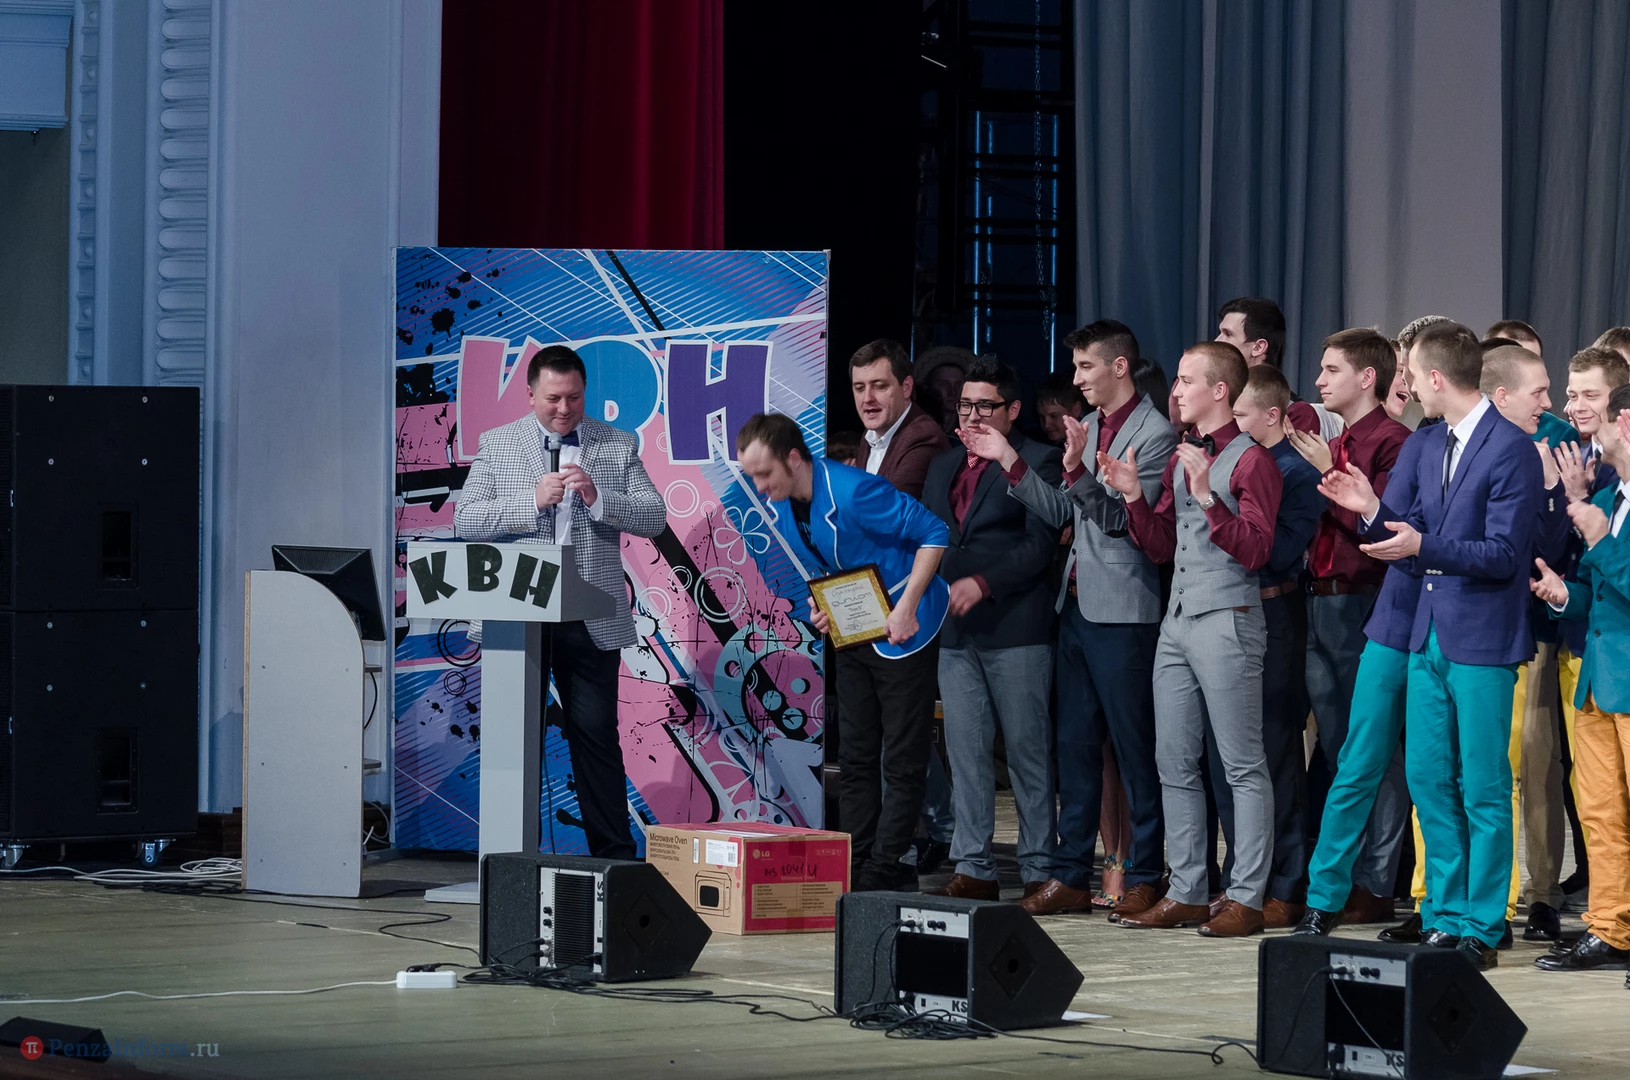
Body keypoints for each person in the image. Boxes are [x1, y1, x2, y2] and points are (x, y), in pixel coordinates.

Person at [1320, 321, 1541, 970]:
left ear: (1436, 378)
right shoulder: (1428, 440)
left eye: (1412, 374)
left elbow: (1503, 554)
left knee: (1483, 785)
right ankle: (1444, 915)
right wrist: (1371, 511)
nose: (1407, 385)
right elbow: (1407, 532)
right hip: (1424, 636)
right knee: (1428, 778)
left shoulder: (1512, 449)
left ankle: (1483, 924)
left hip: (1482, 640)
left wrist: (1422, 545)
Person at [969, 319, 1176, 918]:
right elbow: (1064, 512)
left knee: (1134, 750)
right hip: (1078, 605)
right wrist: (1011, 460)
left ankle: (1145, 873)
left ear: (1119, 366)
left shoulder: (1154, 434)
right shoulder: (1092, 427)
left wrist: (1081, 471)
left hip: (1125, 612)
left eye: (1087, 367)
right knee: (1075, 747)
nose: (1077, 379)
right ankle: (1070, 875)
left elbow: (1121, 522)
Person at [454, 344, 667, 859]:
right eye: (553, 399)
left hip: (588, 614)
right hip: (516, 613)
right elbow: (465, 521)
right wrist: (529, 501)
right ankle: (510, 861)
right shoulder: (499, 444)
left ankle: (614, 860)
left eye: (573, 397)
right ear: (530, 396)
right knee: (514, 739)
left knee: (595, 736)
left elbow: (654, 517)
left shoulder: (615, 444)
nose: (564, 408)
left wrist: (599, 498)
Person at [1100, 340, 1283, 937]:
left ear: (1219, 391)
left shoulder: (1252, 461)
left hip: (1228, 617)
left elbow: (1257, 551)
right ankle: (1186, 890)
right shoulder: (1185, 457)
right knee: (1173, 759)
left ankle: (1247, 896)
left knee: (1241, 764)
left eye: (1185, 380)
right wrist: (1133, 495)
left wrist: (1207, 497)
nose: (1175, 391)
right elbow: (1161, 546)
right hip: (1177, 620)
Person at [736, 412, 950, 892]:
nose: (760, 486)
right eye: (753, 476)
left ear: (794, 458)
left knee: (901, 756)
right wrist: (822, 605)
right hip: (855, 628)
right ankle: (858, 858)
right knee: (855, 753)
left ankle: (887, 863)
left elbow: (935, 534)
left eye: (764, 474)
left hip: (904, 627)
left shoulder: (855, 492)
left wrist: (906, 609)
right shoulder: (784, 507)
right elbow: (825, 563)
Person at [922, 358, 1063, 899]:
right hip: (955, 630)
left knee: (1027, 751)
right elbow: (932, 539)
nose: (973, 416)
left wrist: (983, 582)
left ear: (1012, 409)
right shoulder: (943, 464)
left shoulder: (1038, 460)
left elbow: (1039, 545)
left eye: (985, 406)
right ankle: (974, 866)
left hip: (1016, 626)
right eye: (965, 405)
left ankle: (1037, 868)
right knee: (965, 753)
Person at [1286, 327, 1412, 925]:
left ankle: (1376, 881)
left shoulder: (1393, 442)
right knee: (1338, 748)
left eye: (1331, 369)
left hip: (1363, 601)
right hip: (1318, 598)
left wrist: (1329, 472)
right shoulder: (1334, 442)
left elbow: (1381, 528)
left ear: (1367, 378)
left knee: (1374, 749)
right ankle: (1347, 873)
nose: (1319, 380)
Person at [1204, 365, 1323, 927]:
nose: (1231, 423)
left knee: (1274, 749)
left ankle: (1287, 883)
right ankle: (1241, 877)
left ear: (1272, 415)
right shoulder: (1226, 462)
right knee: (1228, 753)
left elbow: (1276, 553)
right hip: (1226, 612)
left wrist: (1221, 508)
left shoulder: (1294, 472)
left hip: (1274, 611)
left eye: (1241, 414)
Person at [1531, 384, 1630, 980]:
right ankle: (1611, 928)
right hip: (1599, 679)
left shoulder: (1604, 511)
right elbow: (1603, 592)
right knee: (1600, 815)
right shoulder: (1612, 496)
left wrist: (1598, 540)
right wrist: (1565, 594)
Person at [852, 339, 949, 500]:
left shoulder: (924, 437)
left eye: (879, 386)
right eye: (859, 388)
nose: (867, 398)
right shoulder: (869, 435)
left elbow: (886, 507)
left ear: (906, 388)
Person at [1215, 296, 1319, 433]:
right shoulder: (1216, 398)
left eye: (1228, 334)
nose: (1217, 341)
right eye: (1220, 333)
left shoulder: (1296, 413)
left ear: (1258, 347)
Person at [1036, 370, 1088, 446]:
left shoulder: (1093, 443)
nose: (1047, 425)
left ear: (1076, 410)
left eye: (1053, 416)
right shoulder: (1038, 443)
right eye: (1042, 417)